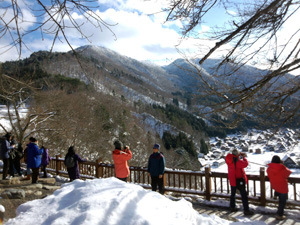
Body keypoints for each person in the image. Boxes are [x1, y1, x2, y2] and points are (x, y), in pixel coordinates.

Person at [225, 149, 254, 215]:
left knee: (233, 194)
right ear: (237, 154)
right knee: (244, 196)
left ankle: (232, 207)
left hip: (232, 180)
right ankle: (246, 210)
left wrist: (239, 154)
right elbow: (245, 164)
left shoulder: (229, 159)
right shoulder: (237, 161)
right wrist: (244, 157)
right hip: (239, 180)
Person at [267, 155, 292, 220]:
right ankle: (279, 214)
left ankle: (276, 194)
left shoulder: (269, 168)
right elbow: (288, 172)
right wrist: (282, 165)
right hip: (282, 187)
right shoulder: (282, 168)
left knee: (279, 195)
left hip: (275, 185)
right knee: (282, 201)